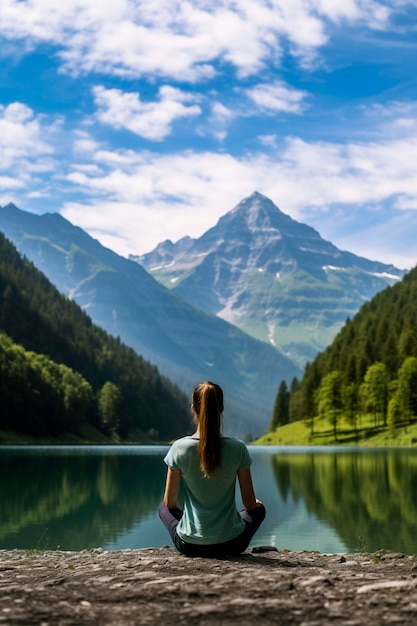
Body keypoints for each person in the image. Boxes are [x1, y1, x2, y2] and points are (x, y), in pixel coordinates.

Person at [158, 381, 265, 558]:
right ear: (221, 408)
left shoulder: (179, 448)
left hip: (190, 545)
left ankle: (193, 528)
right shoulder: (237, 448)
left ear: (193, 408)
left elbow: (170, 503)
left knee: (163, 506)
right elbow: (249, 504)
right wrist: (256, 504)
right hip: (231, 544)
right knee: (259, 510)